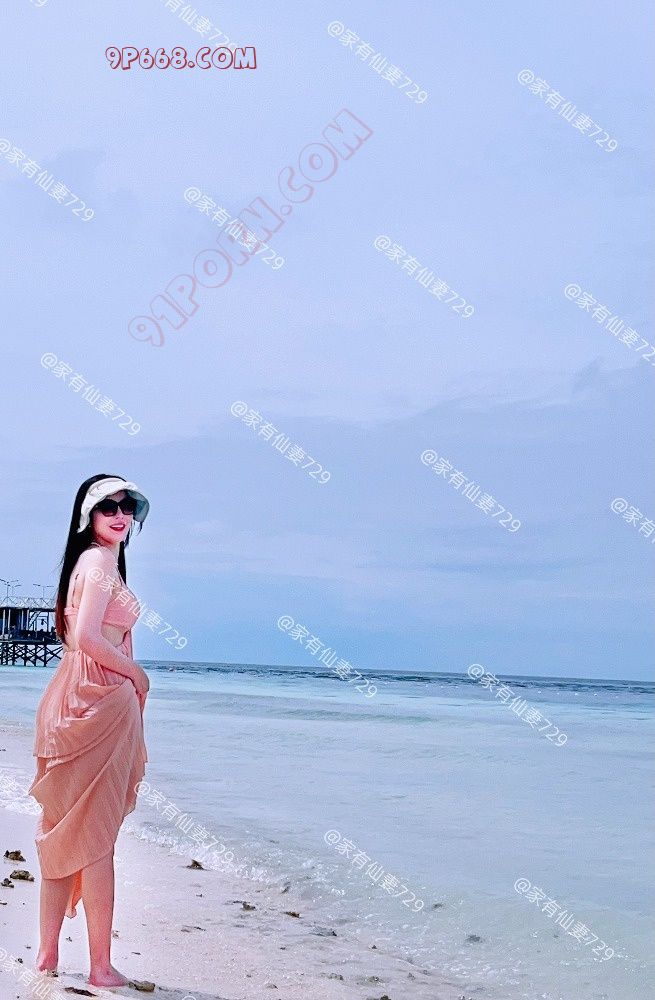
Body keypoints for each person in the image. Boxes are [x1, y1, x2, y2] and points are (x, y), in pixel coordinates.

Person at [27, 474, 151, 988]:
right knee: (96, 839)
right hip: (95, 702)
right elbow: (86, 637)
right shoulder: (99, 563)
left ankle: (48, 955)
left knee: (62, 832)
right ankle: (99, 966)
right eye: (108, 508)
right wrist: (137, 675)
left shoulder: (89, 562)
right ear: (89, 516)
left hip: (73, 699)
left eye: (127, 507)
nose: (120, 516)